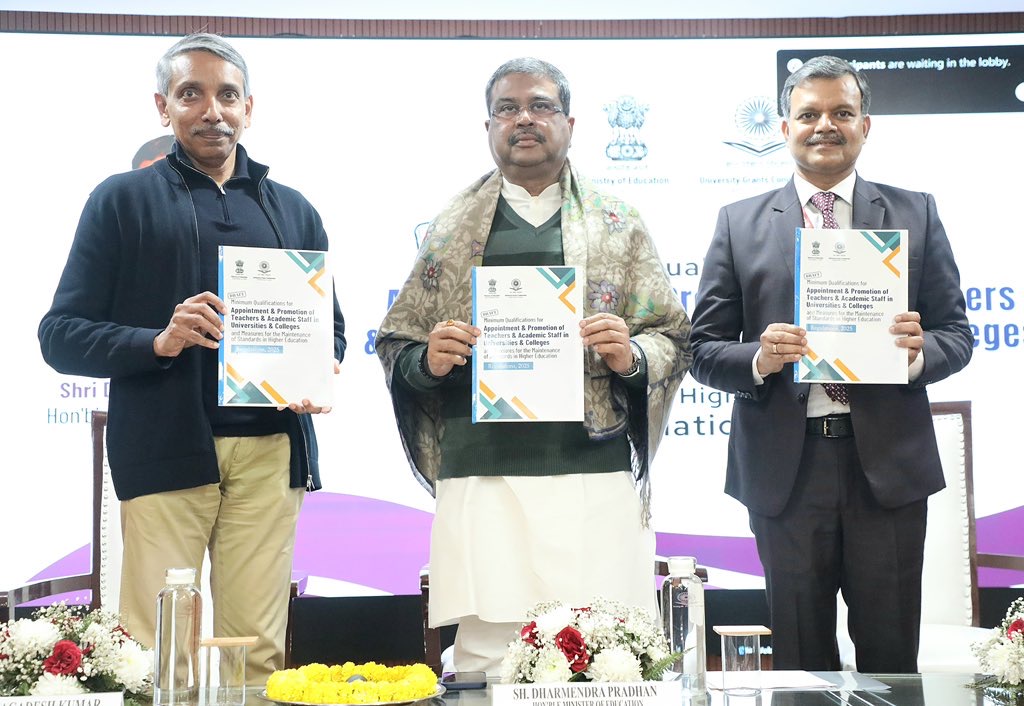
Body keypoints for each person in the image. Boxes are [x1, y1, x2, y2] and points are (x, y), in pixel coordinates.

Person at [38, 33, 346, 683]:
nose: (213, 110)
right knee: (157, 653)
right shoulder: (121, 200)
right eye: (191, 94)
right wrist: (157, 340)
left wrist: (320, 367)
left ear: (249, 108)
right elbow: (60, 335)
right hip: (165, 446)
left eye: (228, 95)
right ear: (163, 106)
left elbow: (332, 330)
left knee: (256, 652)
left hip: (271, 453)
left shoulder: (293, 211)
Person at [376, 57, 691, 676]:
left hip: (590, 467)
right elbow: (397, 343)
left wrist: (630, 356)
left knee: (607, 656)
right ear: (488, 127)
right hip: (482, 473)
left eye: (541, 105)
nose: (524, 119)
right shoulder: (450, 229)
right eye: (507, 109)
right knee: (489, 659)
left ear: (570, 123)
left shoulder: (619, 222)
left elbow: (674, 338)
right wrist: (428, 361)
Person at [689, 55, 972, 672]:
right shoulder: (738, 223)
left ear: (865, 126)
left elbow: (957, 334)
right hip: (786, 472)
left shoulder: (916, 213)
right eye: (809, 114)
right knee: (799, 662)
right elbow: (702, 350)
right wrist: (760, 357)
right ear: (784, 128)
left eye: (842, 113)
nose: (825, 125)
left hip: (888, 470)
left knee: (891, 662)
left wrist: (918, 354)